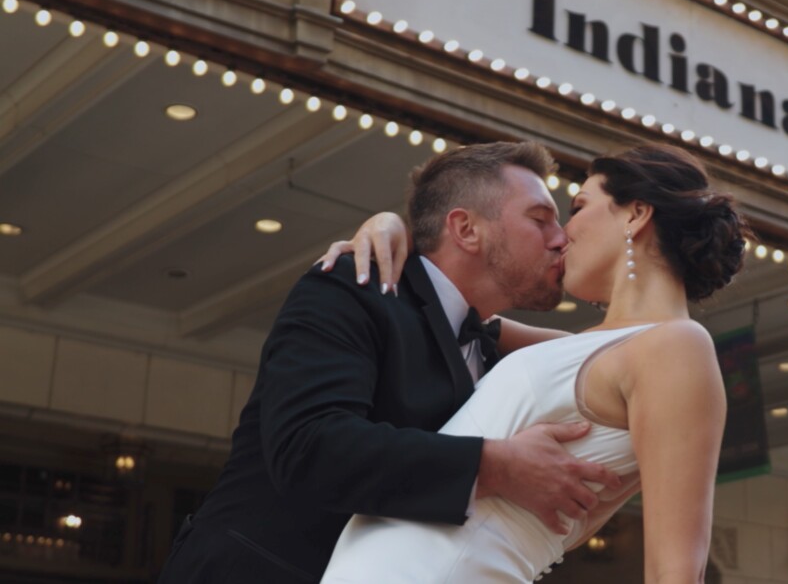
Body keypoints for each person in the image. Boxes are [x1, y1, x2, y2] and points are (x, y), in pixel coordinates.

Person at [159, 141, 622, 583]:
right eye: (541, 219)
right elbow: (309, 446)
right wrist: (497, 465)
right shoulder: (352, 286)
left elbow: (608, 358)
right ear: (465, 229)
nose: (561, 239)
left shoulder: (488, 342)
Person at [316, 143, 748, 582]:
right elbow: (443, 301)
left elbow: (675, 572)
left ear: (636, 215)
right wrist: (393, 228)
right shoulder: (581, 348)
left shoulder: (678, 346)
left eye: (578, 208)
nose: (564, 234)